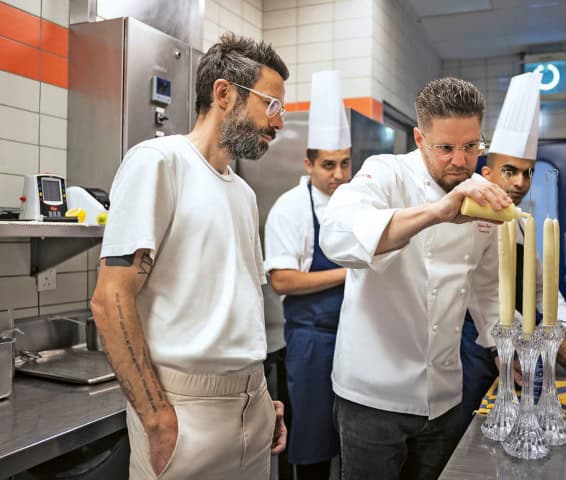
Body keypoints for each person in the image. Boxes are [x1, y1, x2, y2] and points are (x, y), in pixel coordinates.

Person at [90, 33, 290, 480]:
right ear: (224, 93)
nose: (278, 123)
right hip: (185, 414)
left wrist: (257, 394)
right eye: (271, 106)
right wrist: (158, 421)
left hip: (251, 405)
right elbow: (110, 299)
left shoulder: (243, 193)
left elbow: (236, 304)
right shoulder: (158, 163)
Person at [319, 77, 512, 480]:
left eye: (471, 146)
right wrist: (436, 212)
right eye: (446, 148)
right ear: (419, 138)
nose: (461, 161)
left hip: (444, 398)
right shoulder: (386, 173)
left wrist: (507, 356)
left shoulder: (481, 197)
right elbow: (336, 234)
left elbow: (487, 289)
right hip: (372, 397)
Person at [460, 72, 566, 429]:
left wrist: (563, 326)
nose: (521, 182)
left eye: (527, 172)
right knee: (472, 432)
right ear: (488, 172)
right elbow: (482, 292)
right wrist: (521, 342)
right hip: (476, 351)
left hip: (515, 350)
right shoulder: (468, 218)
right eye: (510, 171)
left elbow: (541, 287)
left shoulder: (522, 222)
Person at [264, 70, 352, 480]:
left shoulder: (354, 203)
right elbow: (282, 280)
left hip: (355, 339)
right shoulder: (291, 207)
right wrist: (347, 275)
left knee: (352, 441)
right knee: (314, 442)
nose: (338, 174)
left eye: (345, 164)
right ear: (309, 163)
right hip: (312, 341)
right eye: (329, 165)